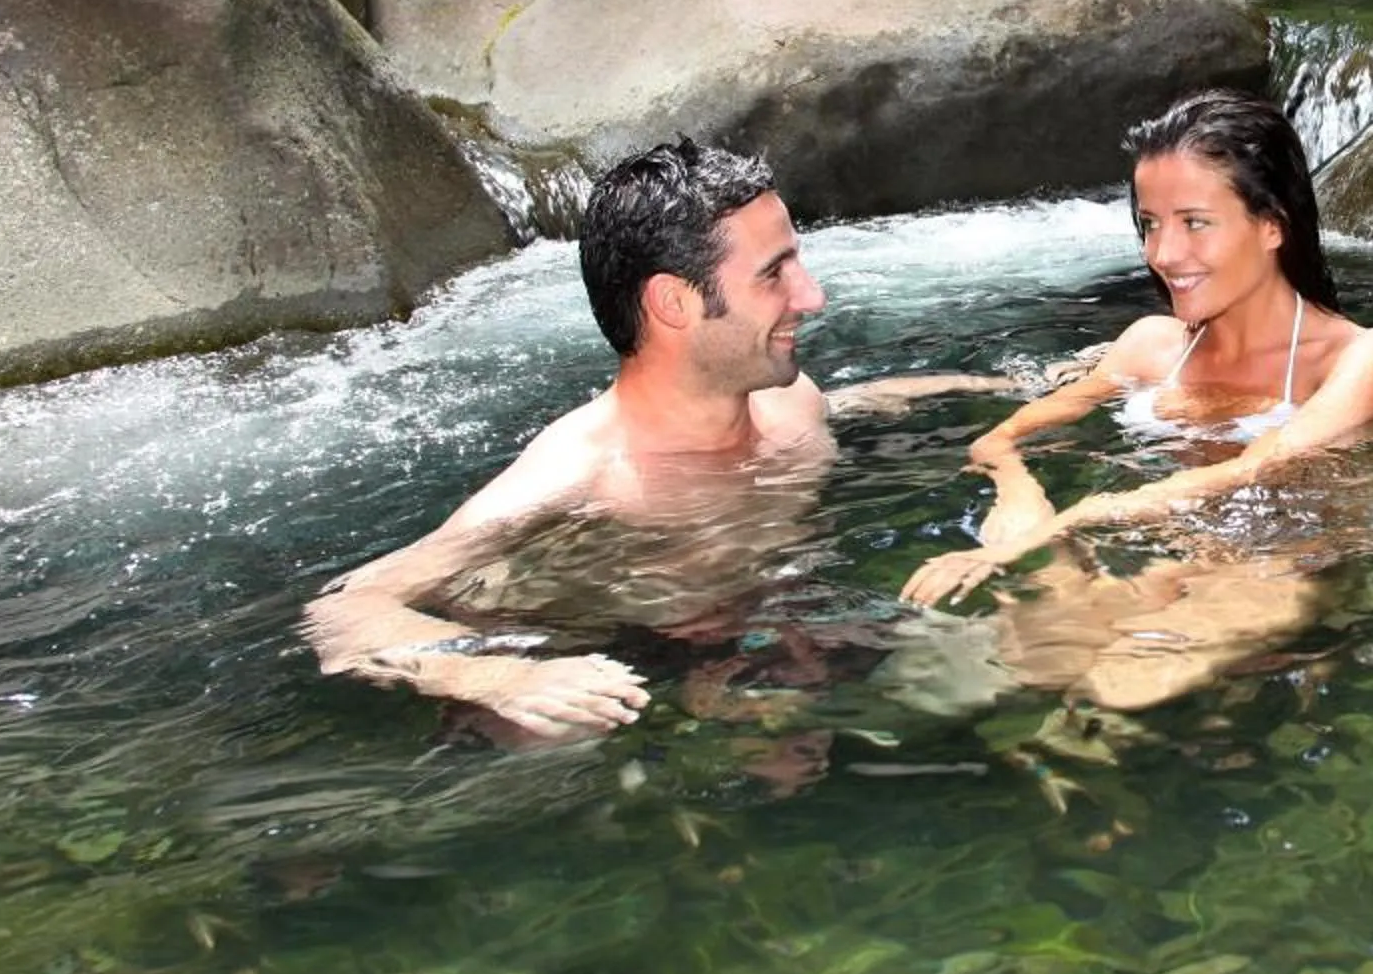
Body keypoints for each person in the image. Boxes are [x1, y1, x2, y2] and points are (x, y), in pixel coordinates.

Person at [303, 136, 1021, 743]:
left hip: (774, 627)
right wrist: (500, 677)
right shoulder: (581, 478)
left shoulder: (790, 403)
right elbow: (343, 610)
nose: (812, 296)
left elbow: (852, 403)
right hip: (610, 667)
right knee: (554, 745)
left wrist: (1011, 391)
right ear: (672, 302)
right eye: (775, 273)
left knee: (1006, 662)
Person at [900, 90, 1373, 705]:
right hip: (1163, 553)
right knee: (966, 670)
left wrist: (1070, 523)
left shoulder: (1363, 356)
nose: (1163, 254)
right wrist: (1021, 494)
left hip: (1282, 559)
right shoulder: (1151, 345)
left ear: (1271, 224)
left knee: (1124, 685)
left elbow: (1263, 464)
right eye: (1150, 224)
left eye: (1195, 222)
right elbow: (1000, 437)